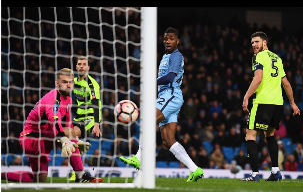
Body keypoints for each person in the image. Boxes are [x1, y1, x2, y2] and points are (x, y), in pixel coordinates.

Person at [119, 27, 204, 182]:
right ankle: (195, 169)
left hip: (171, 95)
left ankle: (138, 157)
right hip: (167, 97)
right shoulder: (166, 56)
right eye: (165, 38)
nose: (167, 41)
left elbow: (171, 77)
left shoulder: (176, 56)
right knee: (168, 141)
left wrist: (150, 81)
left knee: (149, 120)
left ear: (177, 41)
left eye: (171, 38)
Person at [1, 68, 102, 183]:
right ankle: (80, 175)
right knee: (70, 131)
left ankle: (1, 175)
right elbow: (56, 123)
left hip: (43, 138)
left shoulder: (68, 99)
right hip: (31, 139)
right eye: (64, 82)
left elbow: (68, 123)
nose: (68, 85)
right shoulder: (52, 99)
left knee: (39, 180)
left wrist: (74, 141)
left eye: (70, 82)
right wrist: (65, 139)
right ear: (57, 84)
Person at [241, 31, 300, 181]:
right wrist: (292, 103)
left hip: (262, 102)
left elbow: (258, 78)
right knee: (270, 135)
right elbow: (285, 83)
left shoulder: (258, 57)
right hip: (278, 104)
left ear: (264, 43)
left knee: (250, 136)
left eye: (257, 41)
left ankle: (254, 174)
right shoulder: (278, 58)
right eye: (252, 42)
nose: (254, 44)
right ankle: (275, 172)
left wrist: (246, 96)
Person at [68, 56, 102, 180]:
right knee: (69, 141)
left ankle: (78, 172)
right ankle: (77, 172)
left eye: (84, 64)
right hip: (78, 115)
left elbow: (96, 104)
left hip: (90, 116)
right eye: (79, 64)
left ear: (88, 68)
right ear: (76, 67)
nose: (81, 66)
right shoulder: (73, 81)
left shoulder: (92, 84)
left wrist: (97, 124)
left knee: (71, 136)